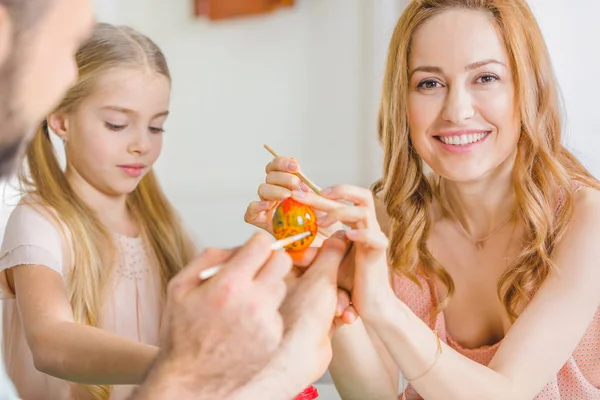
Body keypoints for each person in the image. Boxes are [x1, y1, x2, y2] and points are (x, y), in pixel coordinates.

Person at [245, 0, 600, 398]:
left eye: (485, 78)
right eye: (430, 83)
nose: (457, 110)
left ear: (528, 87)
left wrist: (383, 307)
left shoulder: (586, 219)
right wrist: (322, 277)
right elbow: (372, 395)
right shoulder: (392, 219)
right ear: (404, 100)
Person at [0, 0, 350, 399]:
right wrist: (190, 364)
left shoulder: (162, 223)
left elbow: (213, 314)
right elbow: (51, 343)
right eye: (117, 124)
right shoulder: (39, 222)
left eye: (156, 127)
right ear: (61, 120)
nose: (141, 145)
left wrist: (289, 257)